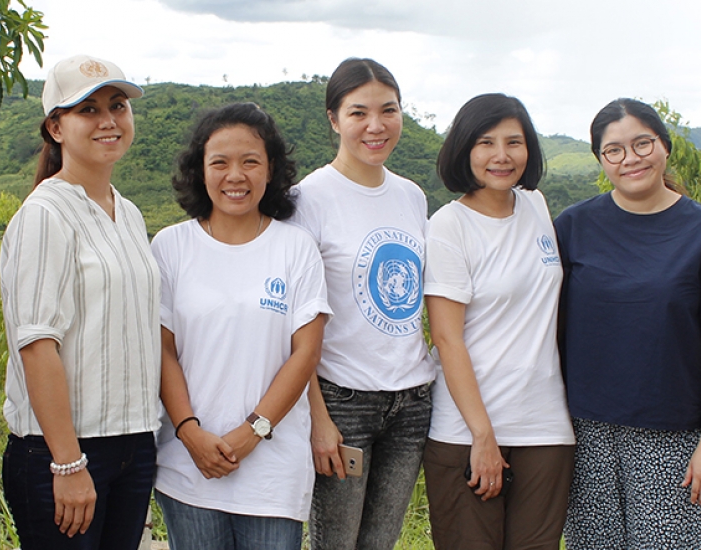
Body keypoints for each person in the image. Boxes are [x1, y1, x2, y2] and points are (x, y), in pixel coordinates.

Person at [151, 102, 330, 550]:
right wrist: (190, 433)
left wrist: (253, 432)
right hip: (188, 464)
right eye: (220, 163)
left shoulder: (295, 247)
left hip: (273, 471)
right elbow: (161, 350)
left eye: (251, 161)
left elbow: (305, 353)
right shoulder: (170, 246)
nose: (236, 175)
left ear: (271, 171)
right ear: (200, 171)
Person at [0, 55, 160, 550]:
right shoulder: (45, 214)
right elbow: (36, 345)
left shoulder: (128, 213)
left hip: (132, 443)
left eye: (117, 106)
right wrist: (67, 463)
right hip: (65, 450)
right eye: (87, 110)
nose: (109, 120)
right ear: (56, 127)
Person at [290, 58, 435, 550]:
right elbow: (295, 319)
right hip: (342, 398)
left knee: (380, 543)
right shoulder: (308, 198)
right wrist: (317, 417)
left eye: (388, 110)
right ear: (334, 119)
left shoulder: (413, 196)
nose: (376, 126)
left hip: (412, 401)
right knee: (335, 543)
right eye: (358, 113)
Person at [423, 93, 575, 549]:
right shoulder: (449, 225)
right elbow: (448, 340)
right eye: (486, 143)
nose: (502, 156)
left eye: (515, 142)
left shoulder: (536, 206)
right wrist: (482, 436)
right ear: (465, 149)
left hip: (545, 425)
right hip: (467, 429)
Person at [555, 98, 701, 549]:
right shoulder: (573, 226)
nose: (631, 158)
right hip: (585, 433)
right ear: (601, 160)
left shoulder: (698, 230)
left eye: (642, 143)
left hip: (674, 435)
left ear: (665, 146)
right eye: (614, 150)